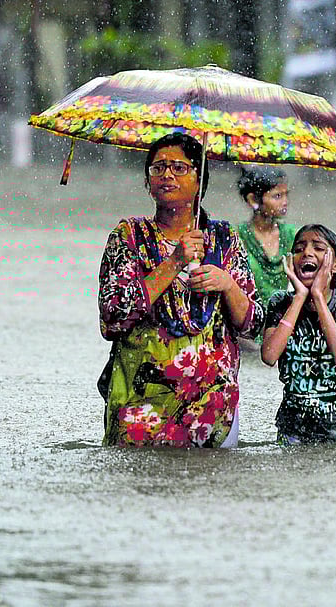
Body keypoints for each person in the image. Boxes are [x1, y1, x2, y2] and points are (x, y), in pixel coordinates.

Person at [97, 133, 264, 447]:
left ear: (199, 180)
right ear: (148, 183)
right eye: (157, 169)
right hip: (141, 401)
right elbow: (112, 318)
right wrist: (174, 262)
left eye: (178, 167)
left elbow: (253, 323)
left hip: (213, 403)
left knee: (209, 489)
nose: (167, 175)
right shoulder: (129, 236)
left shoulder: (224, 238)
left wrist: (227, 284)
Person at [260, 225, 336, 444]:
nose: (306, 253)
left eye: (318, 248)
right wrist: (299, 297)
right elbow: (269, 355)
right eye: (299, 249)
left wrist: (317, 295)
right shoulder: (280, 302)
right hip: (292, 430)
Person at [235, 166, 297, 342]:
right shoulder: (236, 237)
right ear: (253, 199)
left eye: (286, 195)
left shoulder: (293, 235)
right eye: (277, 196)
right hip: (245, 331)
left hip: (279, 327)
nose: (285, 202)